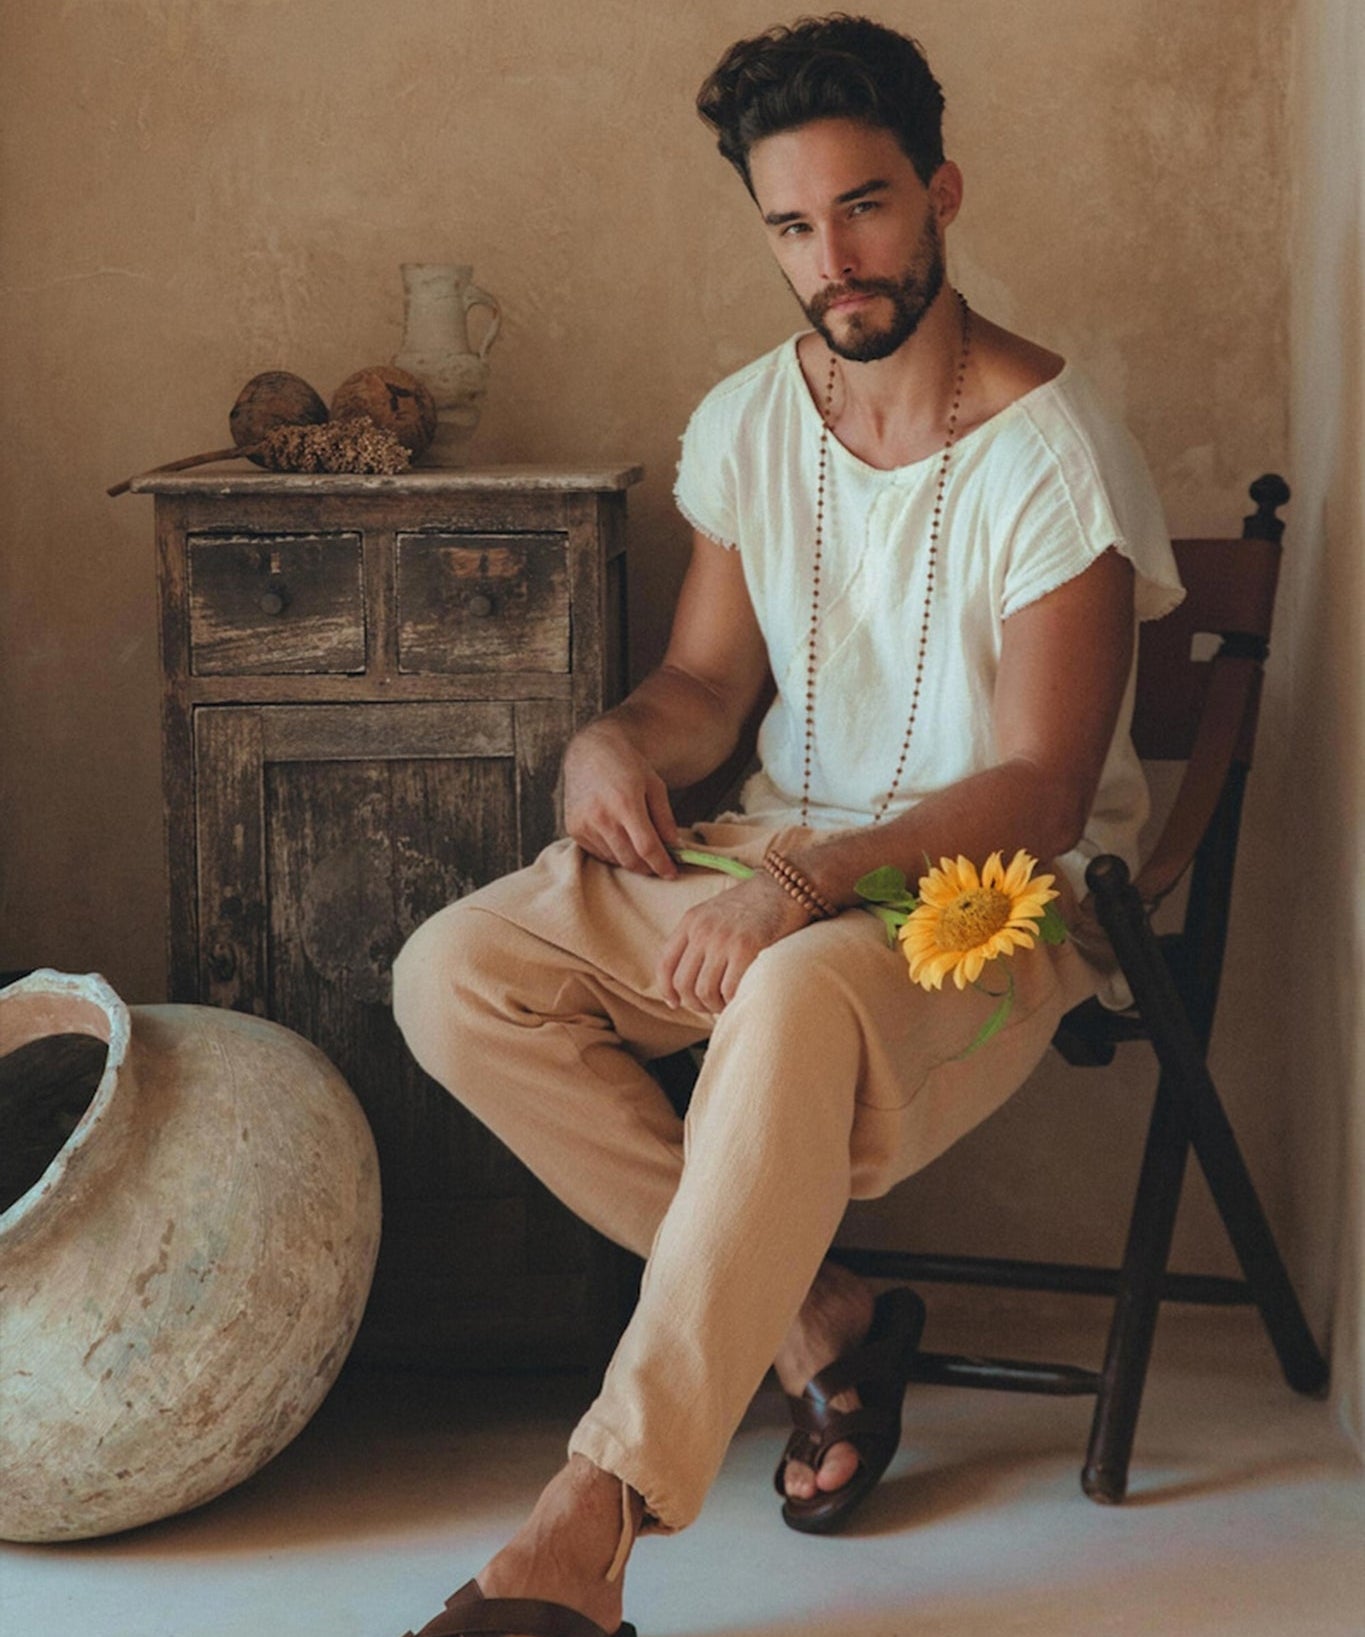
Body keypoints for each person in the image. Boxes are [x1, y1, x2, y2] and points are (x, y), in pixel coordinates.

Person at [391, 14, 1183, 1636]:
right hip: (773, 854)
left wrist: (806, 886)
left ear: (939, 188)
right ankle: (817, 1314)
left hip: (993, 894)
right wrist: (615, 739)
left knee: (793, 990)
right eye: (791, 224)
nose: (834, 258)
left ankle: (586, 1521)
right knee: (454, 972)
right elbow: (701, 680)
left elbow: (1038, 790)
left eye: (867, 206)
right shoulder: (755, 415)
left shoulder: (1052, 453)